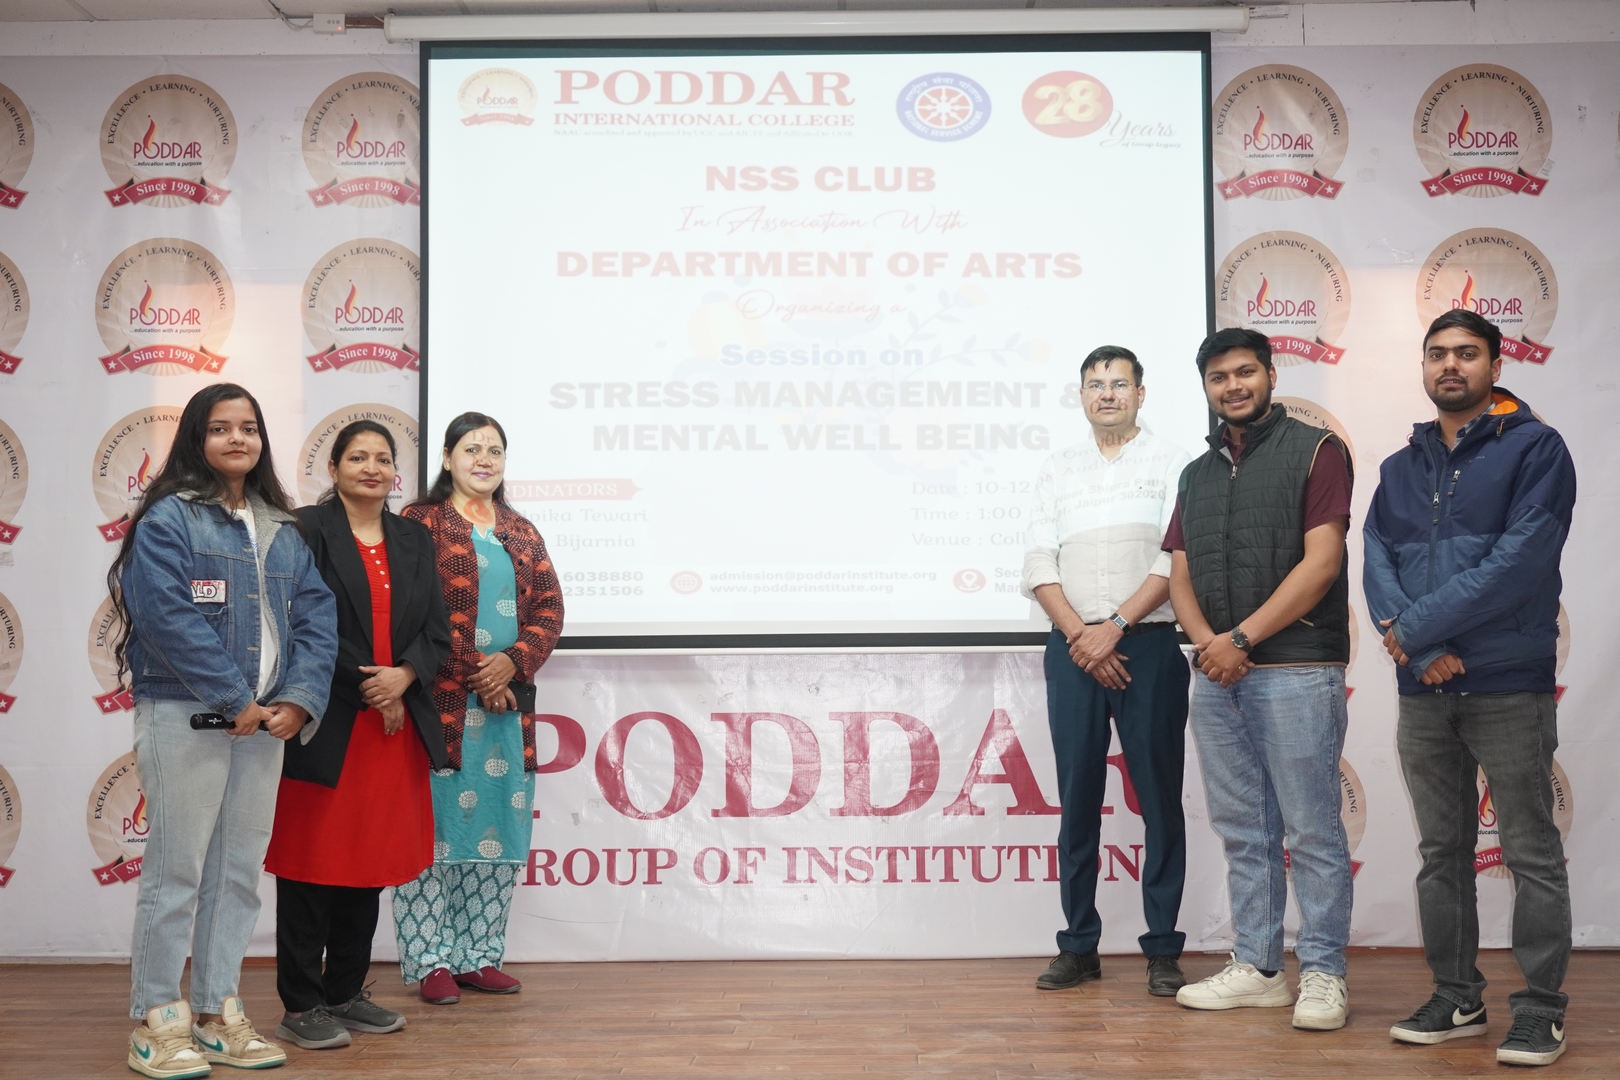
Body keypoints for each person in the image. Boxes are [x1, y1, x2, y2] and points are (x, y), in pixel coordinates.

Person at [1364, 310, 1577, 1067]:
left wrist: (1416, 628)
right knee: (1441, 852)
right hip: (1425, 688)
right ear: (1423, 366)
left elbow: (1520, 562)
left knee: (1530, 850)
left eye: (1466, 353)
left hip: (1508, 684)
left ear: (1495, 364)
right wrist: (1419, 648)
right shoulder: (1399, 466)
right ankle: (1456, 995)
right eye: (1437, 354)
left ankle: (1542, 1009)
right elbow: (1376, 558)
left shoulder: (1537, 448)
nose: (1449, 365)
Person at [109, 383, 337, 1078]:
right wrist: (235, 696)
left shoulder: (282, 527)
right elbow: (165, 615)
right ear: (196, 439)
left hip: (264, 725)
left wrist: (297, 701)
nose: (237, 439)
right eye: (220, 428)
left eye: (248, 428)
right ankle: (157, 1020)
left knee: (237, 874)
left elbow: (317, 619)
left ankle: (215, 1014)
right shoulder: (169, 519)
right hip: (186, 715)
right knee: (176, 871)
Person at [1163, 328, 1355, 1031]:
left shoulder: (1316, 449)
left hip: (1296, 668)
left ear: (1271, 375)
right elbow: (1179, 571)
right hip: (1218, 675)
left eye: (1245, 372)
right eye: (1219, 377)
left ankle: (1325, 973)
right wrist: (1210, 645)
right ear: (1206, 389)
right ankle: (1260, 968)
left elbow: (1322, 563)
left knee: (1311, 830)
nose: (1233, 386)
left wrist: (1241, 639)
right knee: (1245, 829)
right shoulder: (1196, 473)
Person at [265, 421, 452, 1050]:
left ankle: (345, 992)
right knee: (310, 865)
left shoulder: (414, 538)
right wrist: (373, 684)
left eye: (382, 458)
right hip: (326, 719)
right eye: (357, 457)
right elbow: (293, 622)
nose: (371, 468)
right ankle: (301, 1005)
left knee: (368, 863)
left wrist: (405, 677)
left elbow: (437, 631)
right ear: (334, 468)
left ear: (395, 471)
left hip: (392, 730)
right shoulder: (303, 529)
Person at [1022, 346, 1192, 997]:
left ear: (1140, 394)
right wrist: (1081, 635)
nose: (1107, 394)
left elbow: (1174, 558)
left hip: (1146, 647)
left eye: (1119, 383)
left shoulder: (1173, 462)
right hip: (1073, 651)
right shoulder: (1057, 468)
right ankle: (1078, 945)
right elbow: (1039, 560)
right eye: (1095, 384)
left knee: (1159, 801)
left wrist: (1113, 627)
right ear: (1082, 396)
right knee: (1077, 802)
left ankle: (1163, 950)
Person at [393, 412, 564, 1004]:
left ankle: (478, 955)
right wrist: (477, 672)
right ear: (447, 458)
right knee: (433, 833)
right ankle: (431, 961)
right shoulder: (419, 523)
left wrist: (511, 662)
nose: (484, 459)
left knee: (499, 828)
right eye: (472, 449)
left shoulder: (521, 530)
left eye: (494, 450)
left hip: (506, 708)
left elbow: (550, 609)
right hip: (439, 706)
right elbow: (412, 612)